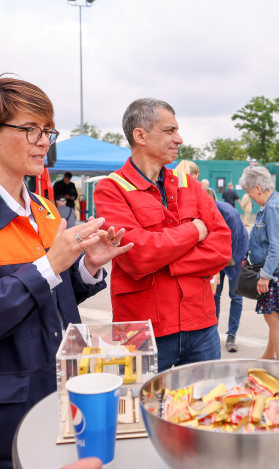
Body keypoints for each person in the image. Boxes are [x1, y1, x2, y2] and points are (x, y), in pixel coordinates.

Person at [0, 75, 132, 469]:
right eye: (30, 129)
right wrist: (50, 265)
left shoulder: (45, 210)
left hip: (54, 402)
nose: (43, 140)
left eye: (47, 130)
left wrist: (86, 268)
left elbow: (49, 296)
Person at [93, 98, 231, 372]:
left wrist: (163, 259)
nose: (179, 139)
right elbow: (137, 255)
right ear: (140, 135)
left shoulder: (187, 184)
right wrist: (194, 230)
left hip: (201, 326)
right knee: (140, 411)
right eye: (169, 131)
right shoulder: (111, 189)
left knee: (205, 408)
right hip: (141, 330)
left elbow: (222, 248)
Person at [240, 165, 279, 361]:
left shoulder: (273, 207)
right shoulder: (273, 205)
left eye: (249, 192)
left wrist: (265, 276)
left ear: (257, 188)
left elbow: (276, 247)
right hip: (277, 272)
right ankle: (268, 356)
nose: (250, 198)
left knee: (275, 321)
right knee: (273, 319)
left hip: (276, 273)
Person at [213, 190, 249, 352]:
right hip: (217, 256)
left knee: (235, 297)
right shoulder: (203, 212)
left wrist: (218, 268)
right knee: (214, 294)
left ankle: (231, 335)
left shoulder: (228, 214)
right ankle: (212, 333)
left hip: (235, 254)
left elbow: (232, 243)